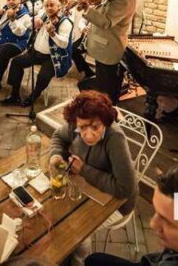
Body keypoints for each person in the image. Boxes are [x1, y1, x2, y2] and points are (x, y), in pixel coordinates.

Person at [50, 92, 137, 266]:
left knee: (77, 232)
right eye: (82, 128)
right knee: (55, 214)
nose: (89, 135)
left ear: (105, 121)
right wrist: (56, 156)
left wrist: (83, 169)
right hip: (84, 188)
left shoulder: (115, 138)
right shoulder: (74, 122)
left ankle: (78, 262)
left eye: (96, 127)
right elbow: (58, 137)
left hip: (117, 203)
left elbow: (125, 189)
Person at [77, 0, 136, 104]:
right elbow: (103, 9)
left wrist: (87, 9)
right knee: (101, 87)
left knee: (107, 93)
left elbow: (106, 22)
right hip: (102, 47)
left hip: (109, 50)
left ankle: (107, 113)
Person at [4, 0, 73, 107]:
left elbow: (64, 44)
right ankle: (14, 95)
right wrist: (32, 21)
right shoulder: (43, 15)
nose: (49, 8)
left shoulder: (65, 22)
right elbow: (26, 25)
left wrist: (53, 34)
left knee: (43, 76)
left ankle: (33, 96)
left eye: (52, 5)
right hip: (35, 53)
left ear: (58, 7)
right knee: (16, 62)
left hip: (52, 57)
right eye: (47, 6)